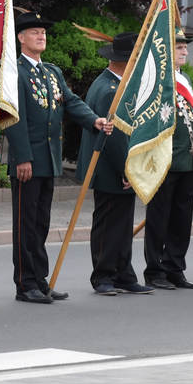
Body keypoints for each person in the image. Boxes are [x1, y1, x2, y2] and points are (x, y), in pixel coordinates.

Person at [5, 12, 111, 304]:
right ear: (21, 38)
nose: (41, 36)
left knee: (41, 223)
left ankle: (40, 280)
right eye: (35, 32)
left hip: (49, 158)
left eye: (43, 32)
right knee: (25, 225)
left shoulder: (51, 71)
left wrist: (94, 120)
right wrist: (22, 157)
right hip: (28, 161)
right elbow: (14, 118)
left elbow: (70, 101)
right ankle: (26, 284)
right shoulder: (14, 72)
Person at [76, 32, 153, 296]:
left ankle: (123, 273)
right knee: (108, 223)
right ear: (122, 61)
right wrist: (126, 169)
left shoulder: (116, 83)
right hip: (110, 166)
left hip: (118, 166)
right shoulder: (110, 89)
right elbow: (116, 135)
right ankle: (103, 275)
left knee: (122, 222)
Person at [143, 30, 193, 291]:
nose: (185, 52)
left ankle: (174, 267)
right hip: (165, 161)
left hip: (188, 161)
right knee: (159, 218)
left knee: (181, 219)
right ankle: (154, 270)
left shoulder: (185, 80)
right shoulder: (156, 80)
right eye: (179, 47)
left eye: (185, 47)